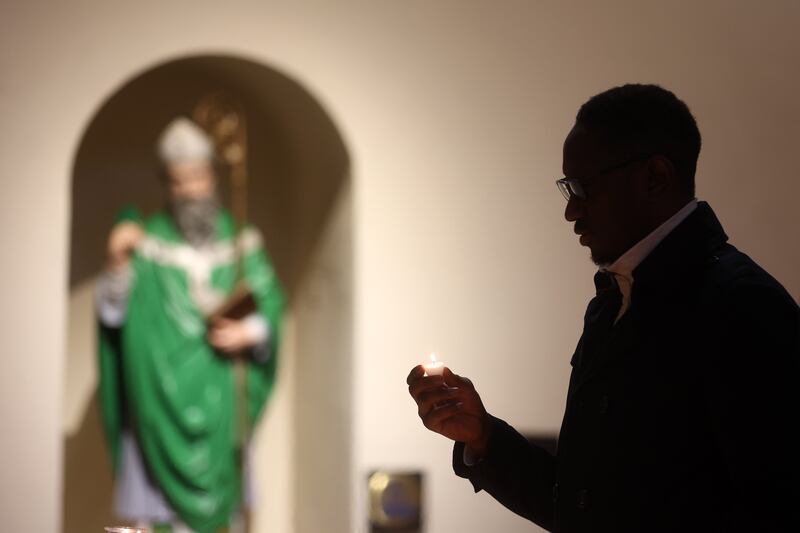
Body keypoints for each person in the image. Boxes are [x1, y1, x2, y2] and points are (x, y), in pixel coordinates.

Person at [407, 84, 800, 532]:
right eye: (566, 189)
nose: (572, 211)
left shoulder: (741, 305)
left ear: (655, 176)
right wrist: (482, 436)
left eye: (583, 188)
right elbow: (580, 505)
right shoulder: (614, 301)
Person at [96, 117, 285, 533]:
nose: (190, 191)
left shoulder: (242, 243)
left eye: (198, 178)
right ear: (167, 184)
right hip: (158, 400)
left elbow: (270, 306)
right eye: (179, 181)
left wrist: (250, 332)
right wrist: (117, 263)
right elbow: (113, 316)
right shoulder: (147, 242)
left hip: (220, 399)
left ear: (212, 178)